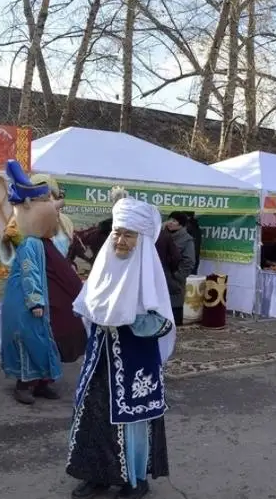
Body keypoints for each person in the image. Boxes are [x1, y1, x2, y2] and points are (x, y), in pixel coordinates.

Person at [68, 196, 175, 499]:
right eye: (118, 232)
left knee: (132, 421)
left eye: (128, 234)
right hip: (100, 356)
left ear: (141, 238)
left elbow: (162, 320)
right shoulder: (104, 265)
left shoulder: (149, 273)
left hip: (133, 359)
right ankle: (95, 474)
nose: (121, 240)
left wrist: (127, 318)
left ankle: (135, 480)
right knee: (92, 412)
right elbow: (89, 305)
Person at [1, 160, 85, 404]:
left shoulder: (41, 241)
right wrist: (35, 300)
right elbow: (30, 273)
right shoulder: (29, 243)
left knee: (47, 340)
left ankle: (42, 383)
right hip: (31, 300)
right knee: (30, 341)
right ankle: (24, 384)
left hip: (48, 297)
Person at [163, 211, 195, 326]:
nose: (170, 223)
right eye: (170, 219)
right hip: (160, 279)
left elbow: (189, 262)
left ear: (181, 224)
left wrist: (176, 277)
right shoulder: (161, 235)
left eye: (174, 221)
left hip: (174, 283)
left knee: (174, 319)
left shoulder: (186, 239)